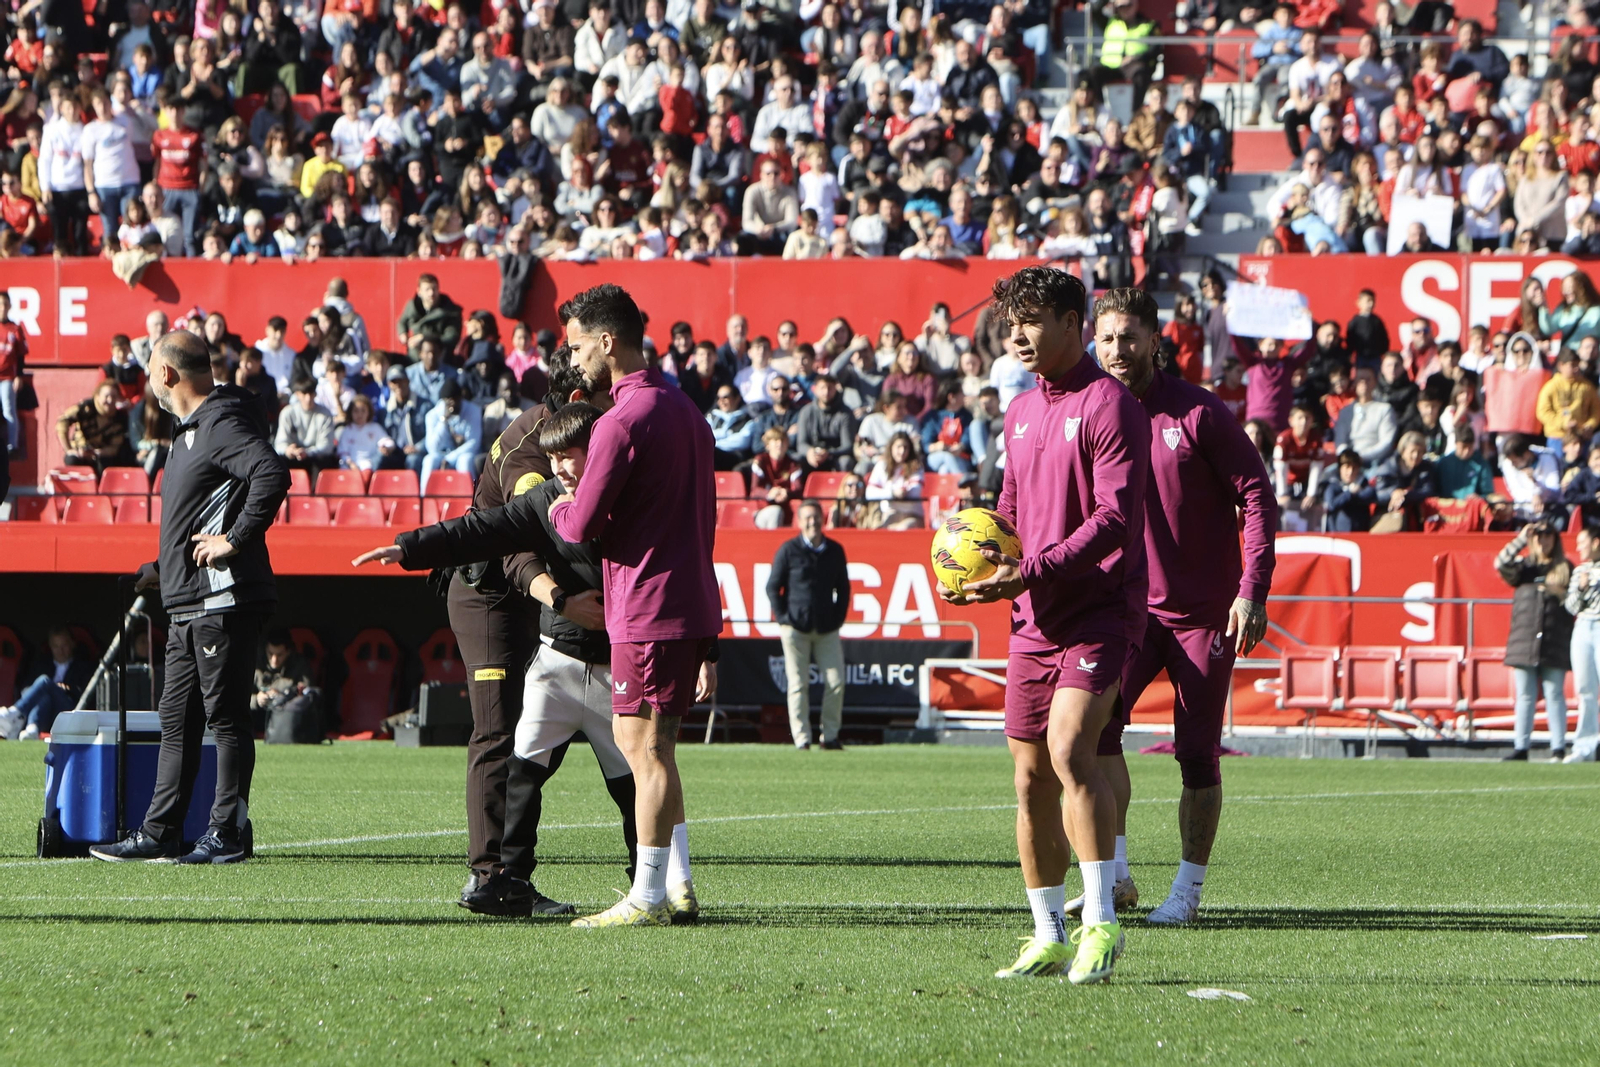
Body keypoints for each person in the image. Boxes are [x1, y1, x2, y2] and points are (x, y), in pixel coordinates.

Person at [354, 400, 642, 917]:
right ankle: (497, 878)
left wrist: (703, 652)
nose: (561, 468)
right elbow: (496, 533)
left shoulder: (625, 481)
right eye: (554, 459)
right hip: (525, 627)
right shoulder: (540, 481)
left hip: (596, 659)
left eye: (568, 458)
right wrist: (411, 548)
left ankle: (651, 879)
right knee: (509, 748)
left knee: (632, 775)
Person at [941, 267, 1149, 985]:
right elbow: (1010, 509)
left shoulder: (1109, 405)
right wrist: (985, 561)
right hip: (1032, 616)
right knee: (1029, 778)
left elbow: (1115, 518)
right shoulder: (1022, 410)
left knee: (1069, 750)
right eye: (1010, 324)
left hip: (1096, 611)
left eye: (1031, 320)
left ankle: (1101, 923)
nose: (1018, 335)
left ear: (1073, 322)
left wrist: (1032, 568)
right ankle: (1047, 932)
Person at [1093, 287, 1275, 926]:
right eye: (1108, 337)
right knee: (1091, 733)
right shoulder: (1092, 412)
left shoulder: (1196, 413)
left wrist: (1252, 588)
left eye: (1130, 336)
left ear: (1155, 339)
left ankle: (1187, 893)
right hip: (1127, 612)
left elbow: (1255, 493)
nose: (1119, 349)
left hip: (1203, 615)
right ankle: (1114, 877)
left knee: (1195, 754)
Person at [549, 284, 720, 928]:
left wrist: (557, 498)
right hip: (688, 597)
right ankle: (678, 883)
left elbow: (580, 523)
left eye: (576, 346)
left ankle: (646, 895)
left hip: (645, 600)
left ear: (607, 341)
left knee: (640, 746)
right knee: (661, 749)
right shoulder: (684, 409)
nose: (574, 360)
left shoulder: (622, 420)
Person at [91, 330, 289, 864]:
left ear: (167, 374)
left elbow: (271, 472)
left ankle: (227, 833)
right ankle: (161, 832)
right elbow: (199, 514)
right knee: (176, 719)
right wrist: (162, 570)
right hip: (186, 600)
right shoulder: (190, 431)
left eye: (151, 367)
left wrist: (234, 540)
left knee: (225, 719)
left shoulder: (220, 421)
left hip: (221, 599)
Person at [767, 502, 851, 751]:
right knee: (798, 684)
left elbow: (843, 588)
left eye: (816, 517)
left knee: (836, 682)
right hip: (795, 629)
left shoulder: (835, 550)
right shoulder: (788, 550)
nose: (812, 522)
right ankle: (802, 739)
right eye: (807, 518)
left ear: (823, 519)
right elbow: (773, 587)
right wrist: (783, 617)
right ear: (799, 521)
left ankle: (830, 737)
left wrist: (837, 619)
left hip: (826, 629)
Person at [1497, 522, 1573, 761]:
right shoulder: (1524, 567)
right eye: (1539, 536)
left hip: (1554, 640)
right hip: (1524, 639)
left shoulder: (1566, 568)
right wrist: (1520, 539)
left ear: (1555, 539)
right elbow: (1500, 564)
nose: (1543, 541)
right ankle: (1521, 747)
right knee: (1525, 695)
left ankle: (1558, 748)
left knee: (1554, 694)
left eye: (1548, 536)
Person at [0, 625, 93, 740]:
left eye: (64, 645)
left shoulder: (83, 667)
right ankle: (32, 728)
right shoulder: (42, 664)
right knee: (44, 695)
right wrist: (34, 692)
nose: (60, 651)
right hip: (46, 711)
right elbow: (26, 687)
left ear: (72, 644)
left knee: (45, 681)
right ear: (50, 647)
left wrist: (66, 689)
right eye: (56, 646)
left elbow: (86, 693)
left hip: (68, 709)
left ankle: (15, 712)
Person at [1564, 526, 1600, 762]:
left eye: (1583, 542)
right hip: (1583, 628)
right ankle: (1584, 746)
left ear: (1596, 542)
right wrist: (1581, 588)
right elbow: (1571, 607)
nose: (1578, 547)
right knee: (1584, 689)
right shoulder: (1580, 571)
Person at [250, 628, 320, 737]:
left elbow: (308, 698)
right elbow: (238, 698)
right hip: (256, 718)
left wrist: (282, 696)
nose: (274, 660)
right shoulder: (254, 664)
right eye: (270, 653)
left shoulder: (300, 666)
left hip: (286, 720)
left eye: (279, 655)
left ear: (288, 652)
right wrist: (257, 699)